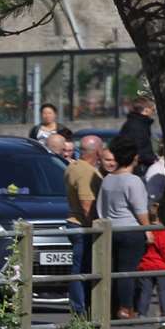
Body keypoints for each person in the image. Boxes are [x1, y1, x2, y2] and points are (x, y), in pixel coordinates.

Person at [98, 137, 150, 319]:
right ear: (134, 158)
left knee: (112, 270)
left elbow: (101, 208)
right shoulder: (133, 181)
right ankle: (126, 307)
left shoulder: (108, 179)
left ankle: (111, 307)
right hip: (130, 229)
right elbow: (140, 210)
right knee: (127, 271)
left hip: (111, 229)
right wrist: (148, 230)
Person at [64, 134, 104, 314]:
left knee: (80, 267)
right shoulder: (86, 172)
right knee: (82, 269)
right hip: (82, 225)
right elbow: (87, 204)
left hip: (73, 222)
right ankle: (80, 309)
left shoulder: (74, 167)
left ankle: (80, 306)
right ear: (97, 151)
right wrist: (95, 228)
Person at [137, 223, 165, 320]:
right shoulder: (163, 231)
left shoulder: (145, 229)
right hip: (161, 265)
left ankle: (142, 313)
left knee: (145, 291)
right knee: (164, 291)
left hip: (145, 264)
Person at [115, 97, 157, 169]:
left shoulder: (134, 123)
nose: (154, 113)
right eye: (152, 110)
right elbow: (141, 151)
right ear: (146, 110)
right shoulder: (138, 126)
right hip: (138, 168)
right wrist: (154, 159)